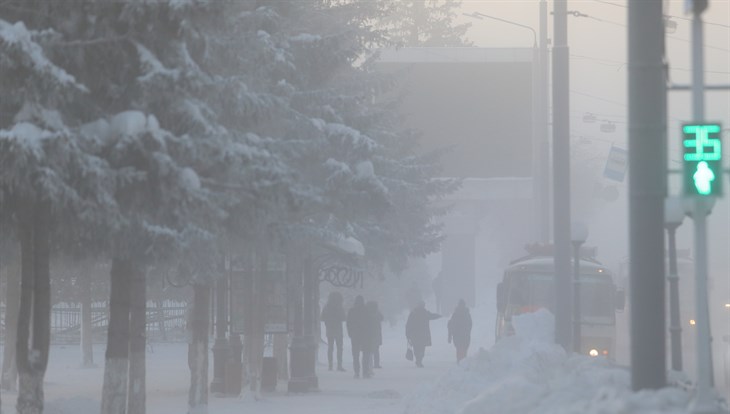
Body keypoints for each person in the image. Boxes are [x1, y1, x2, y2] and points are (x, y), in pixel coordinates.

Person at [405, 300, 441, 368]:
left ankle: (418, 360)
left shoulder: (413, 313)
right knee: (422, 348)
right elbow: (432, 316)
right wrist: (439, 316)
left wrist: (407, 333)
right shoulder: (424, 313)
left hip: (415, 334)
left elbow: (408, 324)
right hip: (423, 334)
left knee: (416, 348)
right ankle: (419, 361)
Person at [321, 291, 346, 371]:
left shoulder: (327, 307)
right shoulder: (339, 307)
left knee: (330, 348)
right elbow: (344, 318)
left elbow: (322, 317)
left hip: (329, 329)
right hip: (338, 329)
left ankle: (330, 365)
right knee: (339, 348)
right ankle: (339, 365)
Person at [346, 295, 371, 378]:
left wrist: (350, 333)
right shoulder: (366, 310)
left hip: (355, 334)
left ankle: (356, 372)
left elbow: (348, 323)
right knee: (366, 354)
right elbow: (370, 323)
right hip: (365, 335)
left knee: (355, 354)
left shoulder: (352, 311)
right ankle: (365, 371)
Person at [365, 300, 384, 369]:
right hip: (376, 333)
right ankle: (376, 364)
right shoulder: (377, 313)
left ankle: (368, 363)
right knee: (376, 350)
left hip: (368, 333)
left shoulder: (366, 313)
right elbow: (382, 318)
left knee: (367, 350)